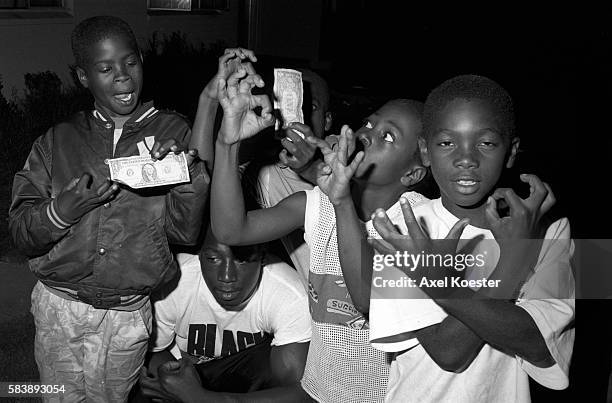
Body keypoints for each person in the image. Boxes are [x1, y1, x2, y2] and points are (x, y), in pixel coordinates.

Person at [8, 16, 208, 402]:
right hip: (59, 307)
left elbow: (185, 233)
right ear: (84, 76)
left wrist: (185, 174)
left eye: (131, 63)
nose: (122, 77)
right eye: (105, 68)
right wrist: (62, 210)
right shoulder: (58, 140)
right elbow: (20, 233)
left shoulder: (173, 134)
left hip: (126, 314)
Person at [209, 66, 428, 401]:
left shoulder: (420, 223)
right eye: (369, 123)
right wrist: (228, 143)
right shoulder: (316, 205)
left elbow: (368, 300)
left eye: (388, 136)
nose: (368, 133)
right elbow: (230, 229)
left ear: (412, 173)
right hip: (318, 389)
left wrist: (339, 200)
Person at [367, 75, 574, 402]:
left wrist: (441, 286)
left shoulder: (554, 232)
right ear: (424, 150)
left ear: (511, 152)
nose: (466, 159)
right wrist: (514, 260)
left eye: (486, 143)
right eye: (447, 142)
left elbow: (539, 344)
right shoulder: (403, 226)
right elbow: (448, 352)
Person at [138, 226, 311, 402]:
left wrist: (201, 399)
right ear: (199, 254)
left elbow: (301, 392)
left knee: (270, 361)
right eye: (213, 259)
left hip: (243, 388)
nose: (227, 276)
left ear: (262, 257)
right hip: (185, 375)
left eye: (242, 260)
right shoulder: (174, 280)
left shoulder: (289, 293)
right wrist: (169, 384)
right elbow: (152, 352)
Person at [256, 68, 334, 283]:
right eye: (290, 105)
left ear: (327, 120)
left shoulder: (348, 154)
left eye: (310, 106)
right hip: (319, 308)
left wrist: (311, 168)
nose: (299, 115)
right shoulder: (267, 172)